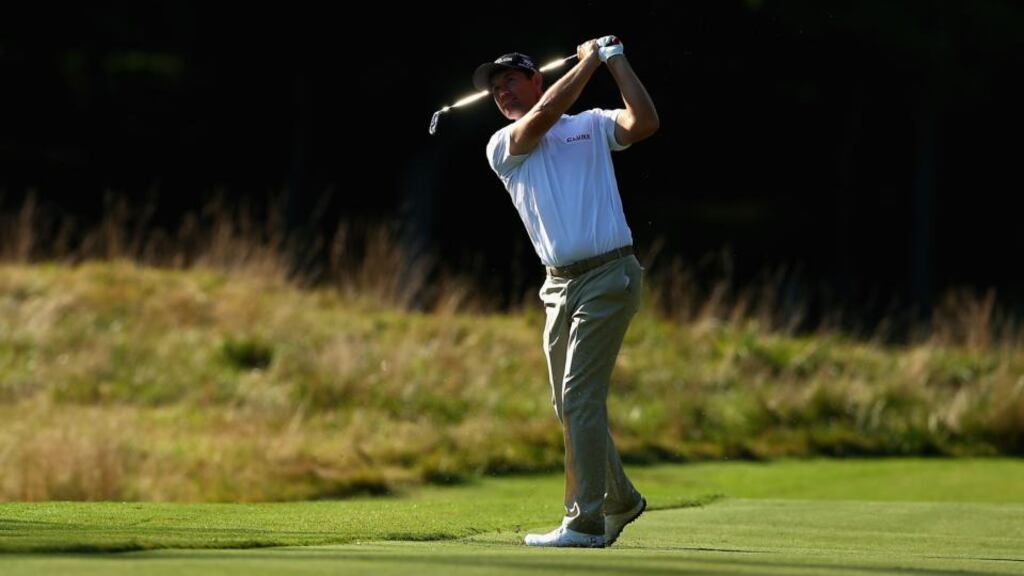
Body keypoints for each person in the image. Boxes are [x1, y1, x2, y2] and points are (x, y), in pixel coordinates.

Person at [473, 36, 659, 548]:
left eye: (512, 80)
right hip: (557, 286)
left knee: (579, 398)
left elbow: (644, 122)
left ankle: (585, 521)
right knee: (568, 403)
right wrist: (589, 63)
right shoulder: (503, 144)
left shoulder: (591, 125)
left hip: (610, 275)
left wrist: (615, 60)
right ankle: (621, 499)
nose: (503, 92)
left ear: (537, 79)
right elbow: (545, 115)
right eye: (496, 88)